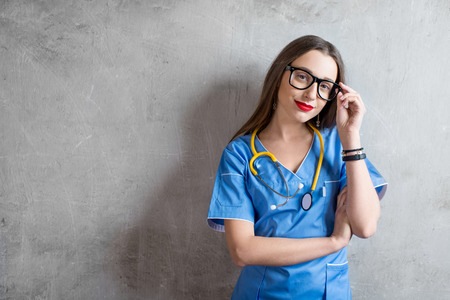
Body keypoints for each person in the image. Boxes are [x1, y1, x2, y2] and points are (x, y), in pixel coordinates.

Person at [207, 35, 387, 299]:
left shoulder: (339, 146)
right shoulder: (240, 155)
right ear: (280, 74)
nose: (312, 94)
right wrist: (333, 242)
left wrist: (351, 139)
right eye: (303, 77)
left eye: (325, 86)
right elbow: (243, 251)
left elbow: (366, 226)